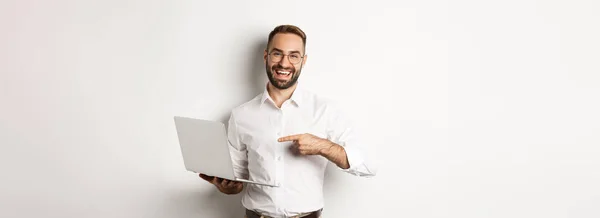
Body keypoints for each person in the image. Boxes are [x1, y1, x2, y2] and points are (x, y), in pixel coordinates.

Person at [199, 24, 378, 218]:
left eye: (293, 56)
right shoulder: (241, 115)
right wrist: (227, 187)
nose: (284, 63)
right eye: (277, 54)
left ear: (303, 61)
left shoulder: (325, 110)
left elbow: (368, 166)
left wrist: (322, 146)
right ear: (266, 56)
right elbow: (237, 180)